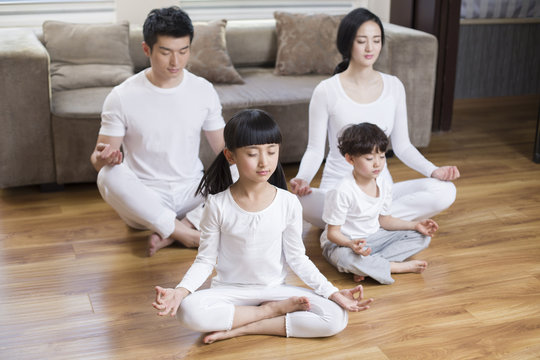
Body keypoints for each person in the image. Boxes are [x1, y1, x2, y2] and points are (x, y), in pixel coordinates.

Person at [152, 109, 373, 344]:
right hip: (230, 291)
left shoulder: (288, 202)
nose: (264, 162)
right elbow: (205, 260)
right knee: (188, 311)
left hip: (275, 290)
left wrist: (332, 292)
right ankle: (267, 313)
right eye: (252, 153)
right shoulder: (217, 204)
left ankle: (242, 328)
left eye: (271, 151)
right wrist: (181, 291)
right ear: (230, 156)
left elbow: (298, 259)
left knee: (336, 317)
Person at [290, 8, 460, 229]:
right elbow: (314, 150)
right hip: (339, 190)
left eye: (376, 40)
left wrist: (432, 170)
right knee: (295, 200)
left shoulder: (394, 86)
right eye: (362, 41)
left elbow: (403, 146)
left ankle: (364, 222)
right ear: (347, 44)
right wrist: (303, 179)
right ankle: (376, 223)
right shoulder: (327, 90)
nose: (370, 48)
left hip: (381, 192)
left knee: (445, 191)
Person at [90, 7, 226, 256]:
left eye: (183, 51)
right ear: (147, 49)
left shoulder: (203, 90)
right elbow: (99, 160)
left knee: (241, 163)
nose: (176, 62)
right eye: (166, 52)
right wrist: (102, 159)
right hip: (145, 199)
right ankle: (185, 234)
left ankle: (176, 229)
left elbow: (225, 150)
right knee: (107, 176)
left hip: (194, 195)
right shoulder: (121, 96)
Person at [321, 123, 438, 284]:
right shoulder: (341, 190)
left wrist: (416, 225)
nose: (377, 163)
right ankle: (394, 267)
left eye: (382, 156)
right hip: (343, 243)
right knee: (345, 258)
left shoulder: (383, 183)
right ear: (350, 159)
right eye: (369, 158)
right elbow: (332, 234)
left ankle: (367, 267)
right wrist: (350, 244)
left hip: (374, 238)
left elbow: (385, 220)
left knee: (422, 237)